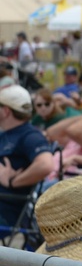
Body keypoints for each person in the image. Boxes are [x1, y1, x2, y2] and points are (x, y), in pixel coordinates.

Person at [0, 86, 54, 226]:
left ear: (6, 111)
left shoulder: (30, 136)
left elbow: (46, 164)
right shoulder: (7, 133)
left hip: (6, 211)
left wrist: (13, 181)